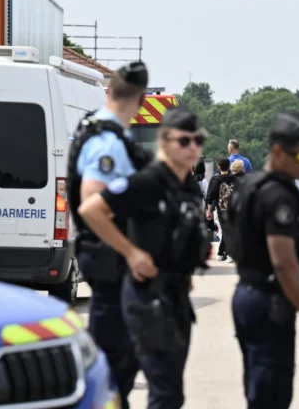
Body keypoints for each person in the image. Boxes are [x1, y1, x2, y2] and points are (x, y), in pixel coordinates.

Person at [78, 107, 211, 409]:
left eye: (197, 140)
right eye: (184, 141)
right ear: (165, 142)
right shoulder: (147, 181)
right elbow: (92, 211)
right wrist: (131, 253)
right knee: (163, 390)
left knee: (166, 387)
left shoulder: (188, 185)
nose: (193, 147)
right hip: (147, 296)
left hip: (175, 296)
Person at [223, 111, 299, 409]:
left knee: (258, 386)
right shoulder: (278, 196)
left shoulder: (252, 186)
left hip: (248, 295)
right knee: (271, 393)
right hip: (269, 302)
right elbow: (284, 262)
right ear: (277, 152)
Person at [66, 61, 151, 409]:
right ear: (142, 99)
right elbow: (93, 204)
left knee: (116, 367)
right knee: (114, 367)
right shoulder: (108, 142)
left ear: (109, 90)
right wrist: (132, 251)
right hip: (112, 266)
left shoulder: (98, 129)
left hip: (109, 265)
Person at [206, 157, 236, 261]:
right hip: (232, 209)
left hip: (220, 208)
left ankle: (222, 253)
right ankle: (225, 253)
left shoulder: (215, 180)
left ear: (218, 166)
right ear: (229, 167)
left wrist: (208, 211)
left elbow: (209, 197)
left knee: (225, 230)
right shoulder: (235, 179)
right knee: (229, 230)